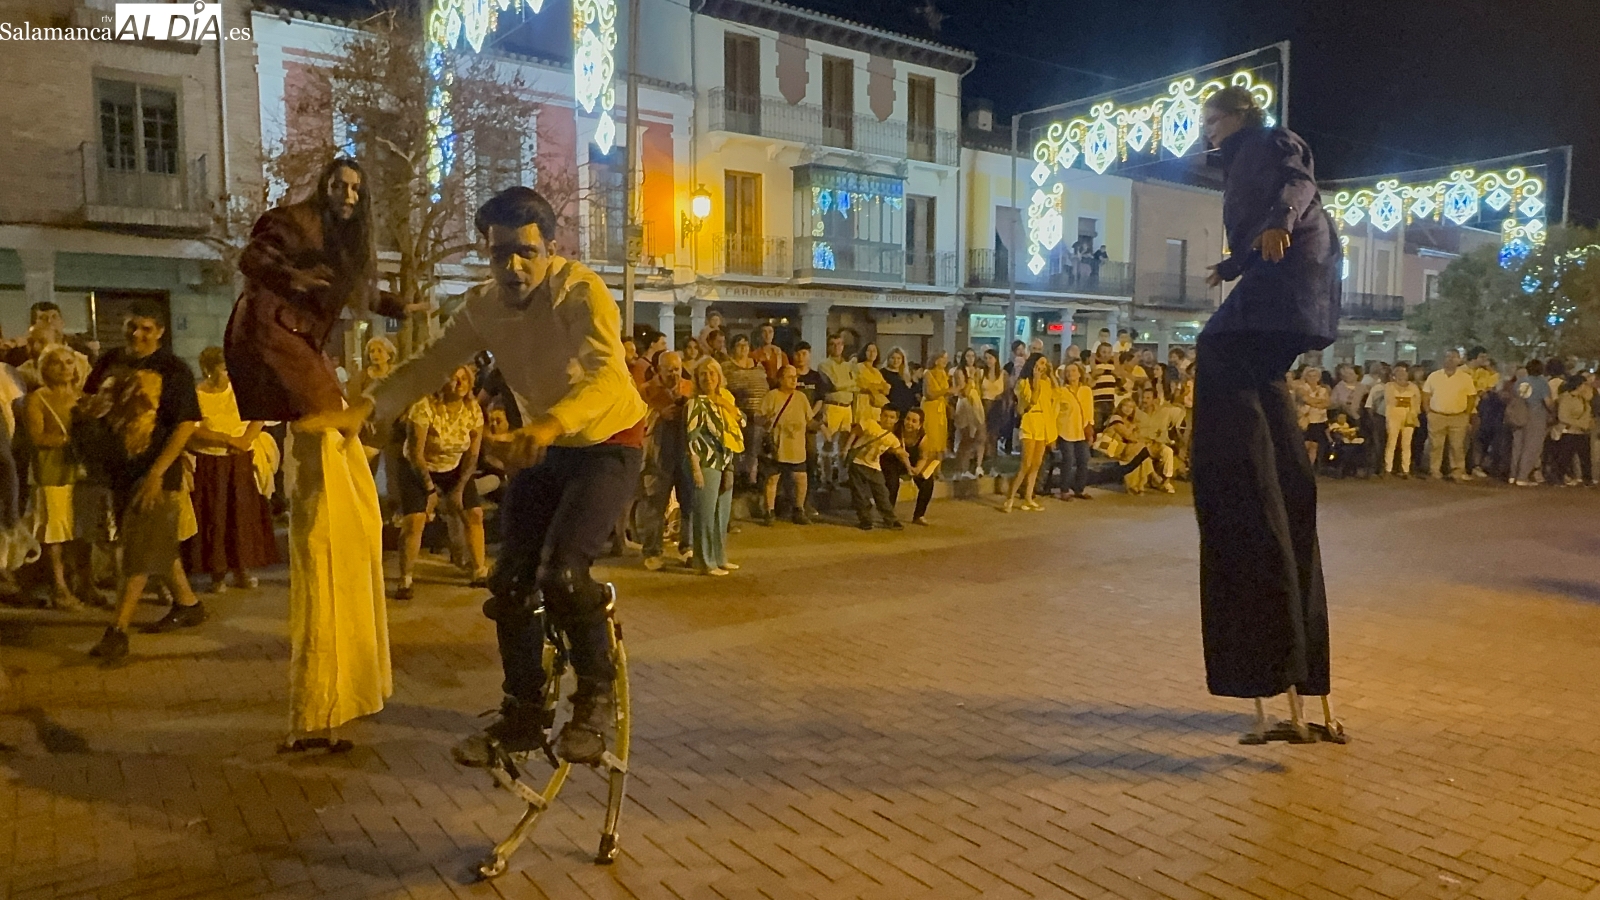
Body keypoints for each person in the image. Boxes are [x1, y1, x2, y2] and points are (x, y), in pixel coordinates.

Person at [369, 186, 647, 766]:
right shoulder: (482, 307)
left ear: (551, 247)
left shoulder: (580, 292)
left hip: (607, 442)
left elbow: (605, 379)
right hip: (543, 444)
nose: (514, 268)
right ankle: (522, 714)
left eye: (526, 252)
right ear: (487, 255)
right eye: (500, 256)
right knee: (511, 584)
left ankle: (595, 696)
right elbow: (431, 364)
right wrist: (368, 410)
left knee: (564, 575)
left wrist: (547, 425)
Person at [226, 157, 401, 751]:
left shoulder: (344, 240)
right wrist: (295, 282)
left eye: (357, 188)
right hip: (278, 341)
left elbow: (362, 293)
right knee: (328, 467)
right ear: (325, 185)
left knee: (339, 465)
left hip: (302, 352)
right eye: (340, 184)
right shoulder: (295, 222)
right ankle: (321, 704)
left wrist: (407, 310)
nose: (348, 195)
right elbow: (254, 257)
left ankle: (333, 702)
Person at [1192, 84, 1343, 739]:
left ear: (1238, 116)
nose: (1206, 131)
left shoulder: (1270, 141)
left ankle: (1241, 469)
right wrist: (1231, 264)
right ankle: (1270, 459)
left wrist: (1282, 220)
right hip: (1277, 288)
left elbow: (1296, 182)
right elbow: (1260, 231)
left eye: (1212, 119)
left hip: (1290, 289)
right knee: (1249, 374)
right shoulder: (1241, 157)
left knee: (1214, 347)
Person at [80, 304, 206, 659]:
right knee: (153, 542)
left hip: (155, 473)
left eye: (146, 328)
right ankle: (188, 604)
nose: (137, 334)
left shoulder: (173, 369)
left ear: (160, 331)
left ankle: (117, 631)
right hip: (118, 470)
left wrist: (156, 474)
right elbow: (90, 400)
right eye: (132, 326)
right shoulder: (109, 361)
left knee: (135, 551)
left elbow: (184, 425)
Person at [184, 347, 279, 595]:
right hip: (211, 460)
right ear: (208, 369)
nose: (226, 374)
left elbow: (259, 415)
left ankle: (242, 568)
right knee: (216, 516)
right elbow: (195, 428)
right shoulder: (197, 394)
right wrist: (225, 439)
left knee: (241, 515)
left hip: (239, 459)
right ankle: (217, 572)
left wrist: (246, 439)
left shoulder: (240, 390)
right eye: (222, 369)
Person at [395, 365, 487, 599]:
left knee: (474, 514)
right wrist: (429, 490)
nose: (459, 384)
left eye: (463, 379)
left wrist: (460, 488)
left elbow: (473, 454)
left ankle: (479, 570)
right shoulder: (424, 408)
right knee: (415, 520)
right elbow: (416, 453)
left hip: (454, 466)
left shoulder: (473, 409)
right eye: (453, 379)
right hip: (419, 466)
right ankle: (405, 578)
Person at [24, 344, 86, 610]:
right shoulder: (38, 398)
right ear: (44, 368)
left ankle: (84, 582)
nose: (64, 368)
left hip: (81, 474)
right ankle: (59, 588)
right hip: (52, 474)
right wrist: (68, 441)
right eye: (57, 363)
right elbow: (36, 437)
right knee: (55, 535)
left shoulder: (82, 398)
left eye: (69, 362)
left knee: (80, 532)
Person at [638, 351, 694, 569]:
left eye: (677, 369)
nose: (674, 374)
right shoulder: (645, 391)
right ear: (658, 369)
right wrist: (659, 414)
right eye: (669, 369)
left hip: (685, 452)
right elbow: (636, 418)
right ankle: (652, 551)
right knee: (654, 503)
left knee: (689, 501)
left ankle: (686, 547)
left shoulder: (689, 387)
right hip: (657, 454)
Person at [685, 358, 741, 575]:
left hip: (725, 462)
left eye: (712, 374)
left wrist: (727, 405)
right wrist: (695, 468)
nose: (708, 379)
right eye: (703, 375)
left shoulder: (724, 400)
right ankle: (705, 561)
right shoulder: (695, 404)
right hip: (706, 462)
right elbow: (691, 438)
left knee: (722, 514)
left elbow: (740, 424)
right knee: (705, 514)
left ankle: (719, 557)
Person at [1003, 353, 1058, 512]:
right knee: (1026, 463)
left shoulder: (1046, 382)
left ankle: (1028, 497)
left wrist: (1052, 374)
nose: (1043, 367)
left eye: (1045, 364)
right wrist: (1035, 380)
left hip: (1043, 422)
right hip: (1030, 421)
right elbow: (1032, 400)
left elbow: (1057, 394)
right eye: (1041, 363)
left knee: (1036, 463)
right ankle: (1010, 497)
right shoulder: (1023, 383)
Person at [759, 365, 812, 526]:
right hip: (777, 446)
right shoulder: (772, 396)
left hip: (796, 447)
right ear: (780, 379)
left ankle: (799, 509)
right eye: (790, 377)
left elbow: (809, 419)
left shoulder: (801, 397)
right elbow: (759, 417)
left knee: (801, 478)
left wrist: (823, 426)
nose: (794, 380)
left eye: (795, 377)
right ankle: (769, 511)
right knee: (772, 479)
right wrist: (766, 420)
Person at [844, 407, 908, 531]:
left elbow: (897, 450)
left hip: (874, 466)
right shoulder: (870, 424)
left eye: (891, 417)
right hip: (858, 462)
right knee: (860, 494)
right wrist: (846, 448)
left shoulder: (892, 438)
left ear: (896, 420)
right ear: (881, 415)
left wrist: (908, 464)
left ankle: (890, 519)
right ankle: (865, 519)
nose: (888, 419)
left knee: (882, 493)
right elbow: (855, 432)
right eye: (885, 416)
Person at [1422, 349, 1476, 482]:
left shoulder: (1465, 377)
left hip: (1458, 416)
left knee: (1457, 446)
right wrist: (1428, 412)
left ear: (1459, 360)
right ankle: (1434, 471)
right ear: (1443, 359)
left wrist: (1466, 414)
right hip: (1437, 415)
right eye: (1448, 357)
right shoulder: (1434, 376)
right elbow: (1426, 395)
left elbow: (1471, 397)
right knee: (1435, 446)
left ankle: (1457, 472)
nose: (1451, 359)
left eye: (1454, 357)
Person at [724, 334, 769, 488]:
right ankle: (736, 478)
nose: (743, 348)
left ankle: (751, 480)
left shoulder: (759, 366)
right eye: (739, 345)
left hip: (758, 415)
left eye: (746, 345)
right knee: (737, 449)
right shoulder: (727, 367)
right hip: (737, 414)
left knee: (754, 450)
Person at [883, 407, 937, 525]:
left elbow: (923, 457)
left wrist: (917, 469)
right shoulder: (896, 429)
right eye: (908, 419)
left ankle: (919, 515)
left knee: (927, 482)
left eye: (914, 421)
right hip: (892, 460)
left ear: (920, 424)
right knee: (892, 483)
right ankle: (888, 515)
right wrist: (908, 467)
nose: (909, 423)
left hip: (911, 462)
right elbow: (892, 451)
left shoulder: (923, 437)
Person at [1051, 361, 1095, 500]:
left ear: (1080, 373)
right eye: (1068, 371)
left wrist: (1090, 428)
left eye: (1074, 371)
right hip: (1066, 430)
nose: (1071, 374)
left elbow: (1089, 410)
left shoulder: (1086, 390)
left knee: (1083, 459)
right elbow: (1055, 412)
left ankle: (1079, 488)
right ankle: (1064, 490)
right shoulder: (1061, 391)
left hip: (1082, 430)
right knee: (1068, 460)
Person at [1509, 359, 1551, 487]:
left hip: (1519, 414)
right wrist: (1553, 412)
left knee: (1517, 446)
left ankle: (1513, 475)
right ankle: (1522, 477)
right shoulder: (1542, 383)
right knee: (1531, 447)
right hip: (1536, 415)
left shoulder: (1519, 382)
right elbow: (1548, 402)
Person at [951, 349, 986, 479]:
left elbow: (978, 389)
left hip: (976, 403)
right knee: (966, 438)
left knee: (980, 435)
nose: (971, 359)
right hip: (965, 404)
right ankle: (960, 469)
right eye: (968, 356)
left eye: (973, 356)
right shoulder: (960, 371)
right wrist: (970, 377)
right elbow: (964, 391)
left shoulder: (977, 371)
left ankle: (977, 466)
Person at [1553, 375, 1593, 486]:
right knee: (1565, 457)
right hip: (1569, 432)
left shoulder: (1583, 398)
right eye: (1584, 384)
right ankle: (1559, 478)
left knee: (1585, 457)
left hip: (1582, 431)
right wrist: (1580, 424)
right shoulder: (1566, 398)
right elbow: (1563, 416)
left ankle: (1587, 479)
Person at [1383, 363, 1422, 477]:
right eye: (1398, 372)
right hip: (1393, 416)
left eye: (1404, 372)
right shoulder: (1389, 386)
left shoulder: (1413, 387)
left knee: (1406, 443)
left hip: (1409, 416)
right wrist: (1406, 401)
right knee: (1391, 442)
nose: (1401, 374)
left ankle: (1406, 469)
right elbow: (1390, 401)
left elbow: (1417, 403)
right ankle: (1388, 469)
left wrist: (1403, 402)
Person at [980, 348, 1007, 476]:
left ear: (996, 359)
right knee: (983, 436)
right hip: (984, 405)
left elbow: (1007, 391)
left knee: (993, 437)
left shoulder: (1002, 374)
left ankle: (993, 465)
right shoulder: (981, 373)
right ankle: (981, 463)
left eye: (990, 358)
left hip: (997, 406)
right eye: (986, 358)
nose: (988, 361)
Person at [1297, 366, 1330, 469]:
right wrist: (1317, 402)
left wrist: (1314, 402)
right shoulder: (1301, 388)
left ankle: (1309, 468)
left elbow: (1326, 403)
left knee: (1314, 446)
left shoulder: (1324, 389)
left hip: (1319, 421)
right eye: (1310, 376)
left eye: (1315, 376)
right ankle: (1301, 467)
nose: (1312, 378)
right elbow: (1306, 399)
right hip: (1306, 421)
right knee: (1305, 445)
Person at [920, 351, 951, 459]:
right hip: (930, 408)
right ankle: (928, 469)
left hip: (940, 409)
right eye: (943, 358)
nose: (946, 361)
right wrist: (947, 391)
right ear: (936, 360)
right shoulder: (928, 373)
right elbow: (929, 394)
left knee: (940, 439)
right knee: (931, 438)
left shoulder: (943, 373)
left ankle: (938, 470)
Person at [881, 347, 919, 416]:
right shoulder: (883, 373)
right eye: (893, 358)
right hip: (891, 411)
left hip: (906, 411)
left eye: (898, 358)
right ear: (888, 359)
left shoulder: (905, 375)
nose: (896, 361)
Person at [1090, 343, 1118, 429]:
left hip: (1110, 400)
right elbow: (1094, 373)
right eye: (1104, 352)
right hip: (1098, 401)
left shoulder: (1113, 367)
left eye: (1109, 352)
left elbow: (1118, 376)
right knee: (1097, 425)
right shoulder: (1095, 367)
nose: (1106, 355)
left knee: (1108, 425)